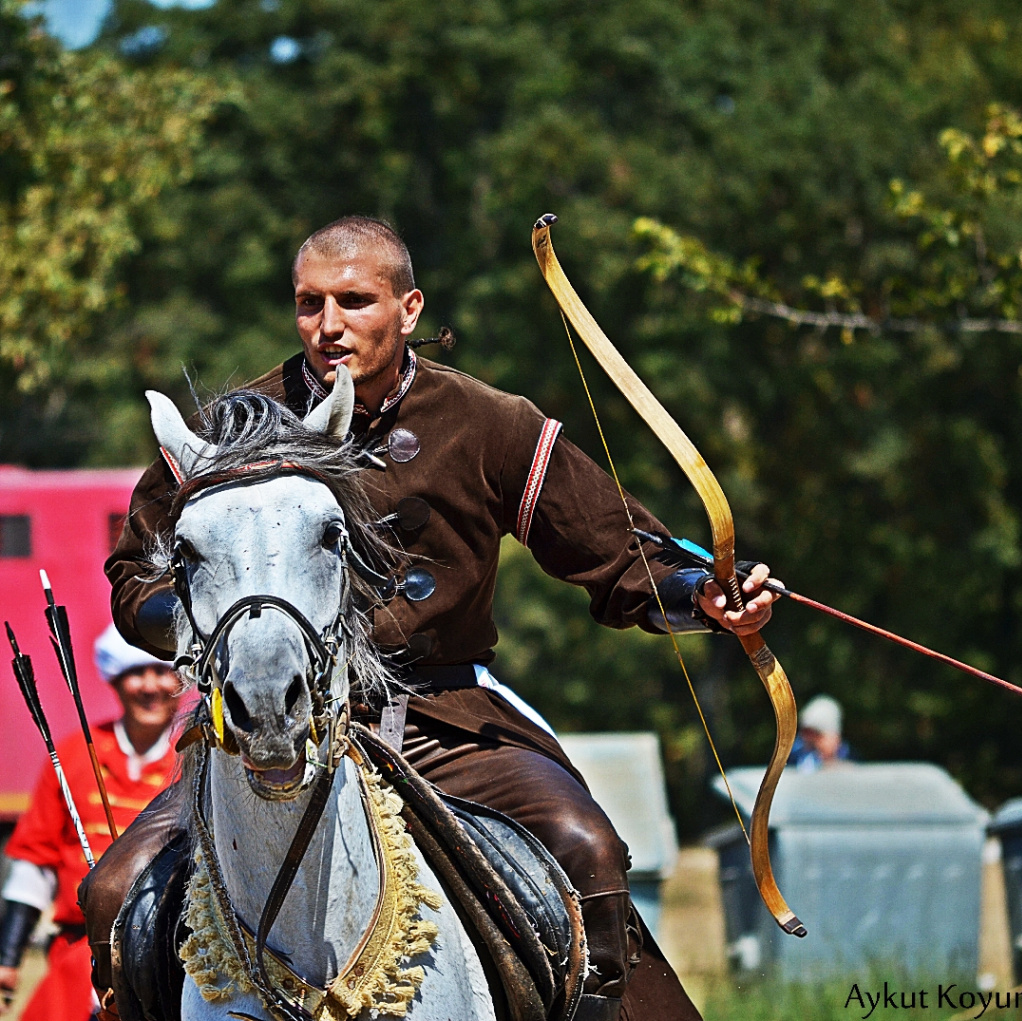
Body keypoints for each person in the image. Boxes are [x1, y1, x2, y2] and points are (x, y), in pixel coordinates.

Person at [85, 215, 780, 1021]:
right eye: (310, 303)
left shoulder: (488, 420)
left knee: (585, 847)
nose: (328, 325)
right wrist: (218, 636)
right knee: (113, 890)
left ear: (408, 307)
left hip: (444, 718)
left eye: (354, 300)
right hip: (267, 728)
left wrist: (700, 592)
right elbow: (136, 575)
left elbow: (617, 553)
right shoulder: (236, 430)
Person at [0, 625, 181, 1021]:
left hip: (164, 965)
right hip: (75, 962)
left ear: (180, 679)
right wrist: (7, 957)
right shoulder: (74, 756)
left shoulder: (194, 763)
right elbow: (35, 861)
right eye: (136, 673)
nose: (149, 686)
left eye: (161, 671)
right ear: (116, 680)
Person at [787, 694, 853, 772]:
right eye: (806, 733)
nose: (809, 740)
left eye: (818, 735)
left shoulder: (849, 757)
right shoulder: (793, 757)